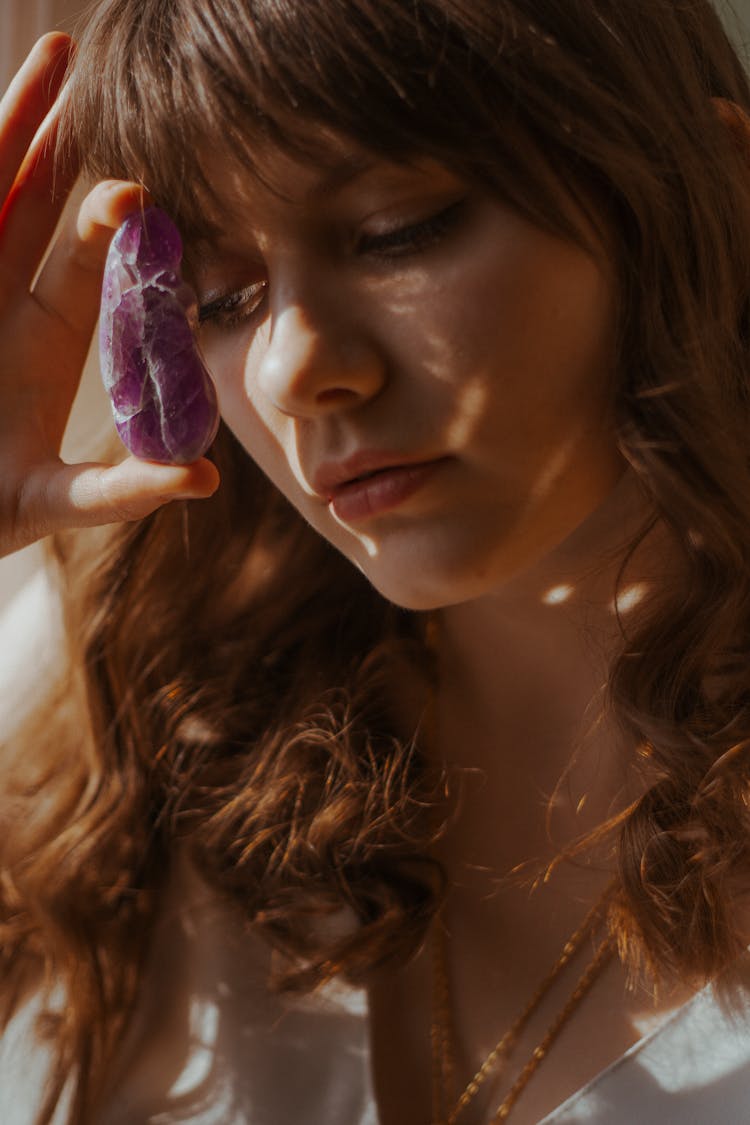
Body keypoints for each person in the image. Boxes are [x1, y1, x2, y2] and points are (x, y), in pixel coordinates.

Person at [3, 1, 750, 1122]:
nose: (290, 370)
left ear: (718, 190)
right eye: (217, 299)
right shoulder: (125, 702)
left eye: (399, 229)